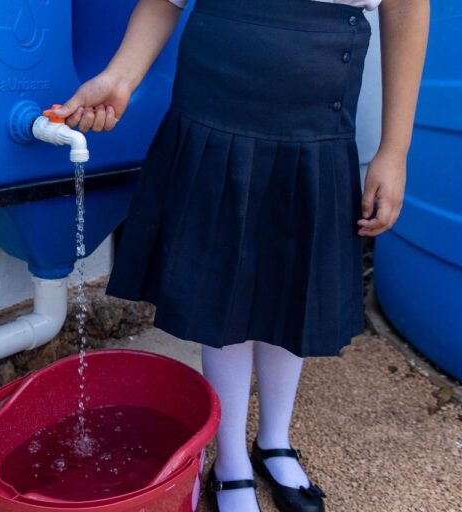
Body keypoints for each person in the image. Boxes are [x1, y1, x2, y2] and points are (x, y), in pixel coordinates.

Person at [53, 0, 429, 510]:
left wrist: (395, 150)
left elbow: (407, 8)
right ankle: (229, 458)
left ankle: (274, 439)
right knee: (223, 286)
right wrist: (120, 77)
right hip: (213, 112)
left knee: (289, 278)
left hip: (316, 124)